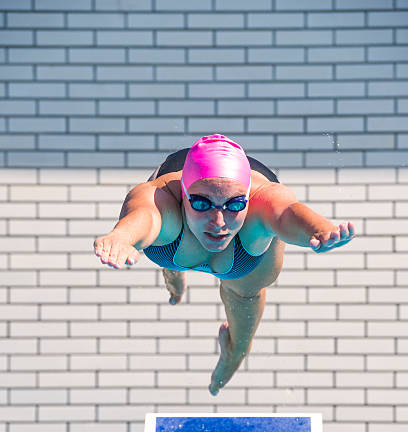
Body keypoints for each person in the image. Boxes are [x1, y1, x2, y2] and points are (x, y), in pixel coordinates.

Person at [94, 134, 355, 395]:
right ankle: (173, 270)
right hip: (175, 225)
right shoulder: (161, 199)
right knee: (164, 233)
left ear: (248, 200)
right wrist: (122, 237)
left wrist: (321, 230)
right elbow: (145, 216)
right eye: (201, 204)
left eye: (234, 206)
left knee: (245, 293)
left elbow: (287, 212)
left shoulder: (262, 205)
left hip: (239, 243)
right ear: (183, 196)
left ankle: (233, 353)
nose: (219, 221)